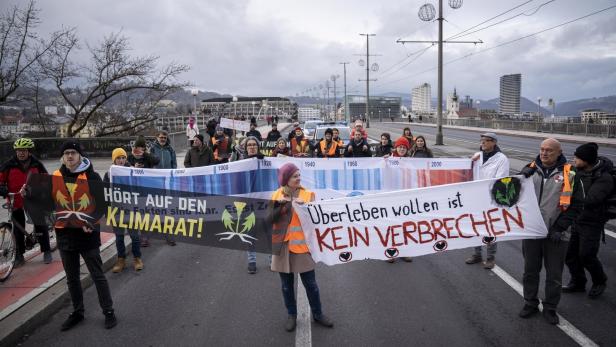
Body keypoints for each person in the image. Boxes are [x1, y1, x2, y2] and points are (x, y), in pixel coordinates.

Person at [49, 140, 116, 330]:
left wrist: (91, 221)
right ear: (63, 156)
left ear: (80, 155)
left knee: (97, 275)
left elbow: (103, 205)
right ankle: (78, 312)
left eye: (73, 153)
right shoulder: (55, 177)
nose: (70, 156)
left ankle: (108, 311)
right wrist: (28, 192)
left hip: (87, 234)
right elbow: (46, 201)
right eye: (66, 153)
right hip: (64, 234)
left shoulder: (92, 176)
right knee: (72, 278)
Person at [270, 163, 333, 331]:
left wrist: (304, 208)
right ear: (285, 179)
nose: (298, 178)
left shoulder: (308, 195)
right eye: (294, 176)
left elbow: (317, 220)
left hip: (303, 248)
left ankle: (318, 314)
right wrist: (280, 207)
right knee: (286, 286)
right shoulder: (276, 195)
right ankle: (292, 315)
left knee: (311, 284)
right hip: (282, 248)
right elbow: (269, 220)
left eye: (299, 175)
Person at [518, 138, 574, 325]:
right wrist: (520, 176)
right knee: (530, 271)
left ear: (559, 152)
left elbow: (577, 206)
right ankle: (530, 303)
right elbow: (513, 195)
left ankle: (550, 307)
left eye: (549, 150)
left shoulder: (571, 174)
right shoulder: (530, 170)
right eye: (542, 149)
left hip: (557, 235)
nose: (544, 153)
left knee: (554, 275)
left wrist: (559, 227)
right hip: (532, 232)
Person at [550, 142, 612, 299]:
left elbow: (590, 200)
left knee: (587, 255)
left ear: (587, 160)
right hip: (576, 220)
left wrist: (573, 190)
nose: (574, 160)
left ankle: (600, 281)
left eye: (577, 158)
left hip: (592, 222)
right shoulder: (576, 172)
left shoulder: (603, 178)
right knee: (570, 255)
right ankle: (578, 281)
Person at [0, 138, 52, 265]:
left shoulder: (36, 164)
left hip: (33, 199)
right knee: (18, 228)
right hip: (15, 199)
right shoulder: (8, 165)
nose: (21, 153)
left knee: (40, 225)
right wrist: (2, 189)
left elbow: (45, 179)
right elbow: (0, 180)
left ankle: (46, 251)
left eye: (23, 151)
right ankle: (19, 255)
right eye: (18, 151)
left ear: (29, 151)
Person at [465, 132, 509, 269]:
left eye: (486, 140)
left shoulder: (502, 159)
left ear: (494, 142)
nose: (483, 142)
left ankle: (490, 258)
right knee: (475, 226)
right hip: (475, 198)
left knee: (491, 228)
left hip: (490, 199)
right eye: (482, 140)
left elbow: (501, 180)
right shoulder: (477, 156)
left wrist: (485, 191)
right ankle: (477, 254)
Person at [104, 148, 143, 272]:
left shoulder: (132, 171)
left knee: (135, 236)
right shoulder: (109, 174)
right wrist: (107, 212)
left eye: (123, 157)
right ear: (114, 160)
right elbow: (105, 194)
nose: (121, 160)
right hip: (116, 211)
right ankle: (121, 260)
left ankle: (137, 258)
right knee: (119, 237)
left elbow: (140, 190)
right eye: (118, 158)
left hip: (131, 210)